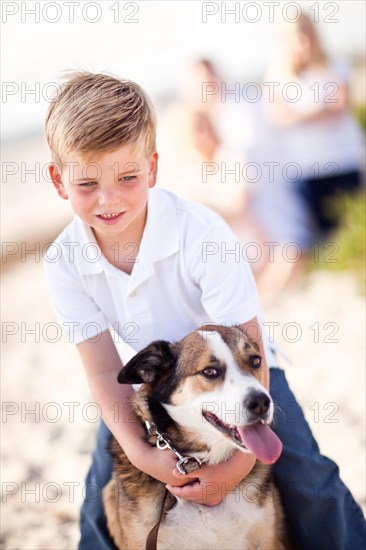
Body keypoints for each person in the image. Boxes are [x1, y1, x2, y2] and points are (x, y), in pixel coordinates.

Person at [43, 72, 366, 550]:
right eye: (87, 183)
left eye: (127, 178)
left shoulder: (201, 232)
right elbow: (103, 370)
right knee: (99, 497)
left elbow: (248, 339)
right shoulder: (63, 260)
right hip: (152, 377)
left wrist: (235, 467)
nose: (108, 199)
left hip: (243, 366)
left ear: (152, 169)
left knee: (307, 478)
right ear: (57, 180)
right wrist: (141, 454)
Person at [263, 12, 365, 240]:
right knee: (326, 238)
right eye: (297, 36)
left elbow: (341, 107)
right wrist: (320, 109)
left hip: (344, 162)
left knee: (355, 228)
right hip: (307, 170)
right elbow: (278, 118)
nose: (305, 42)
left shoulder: (337, 67)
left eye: (308, 34)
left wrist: (300, 115)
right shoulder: (277, 77)